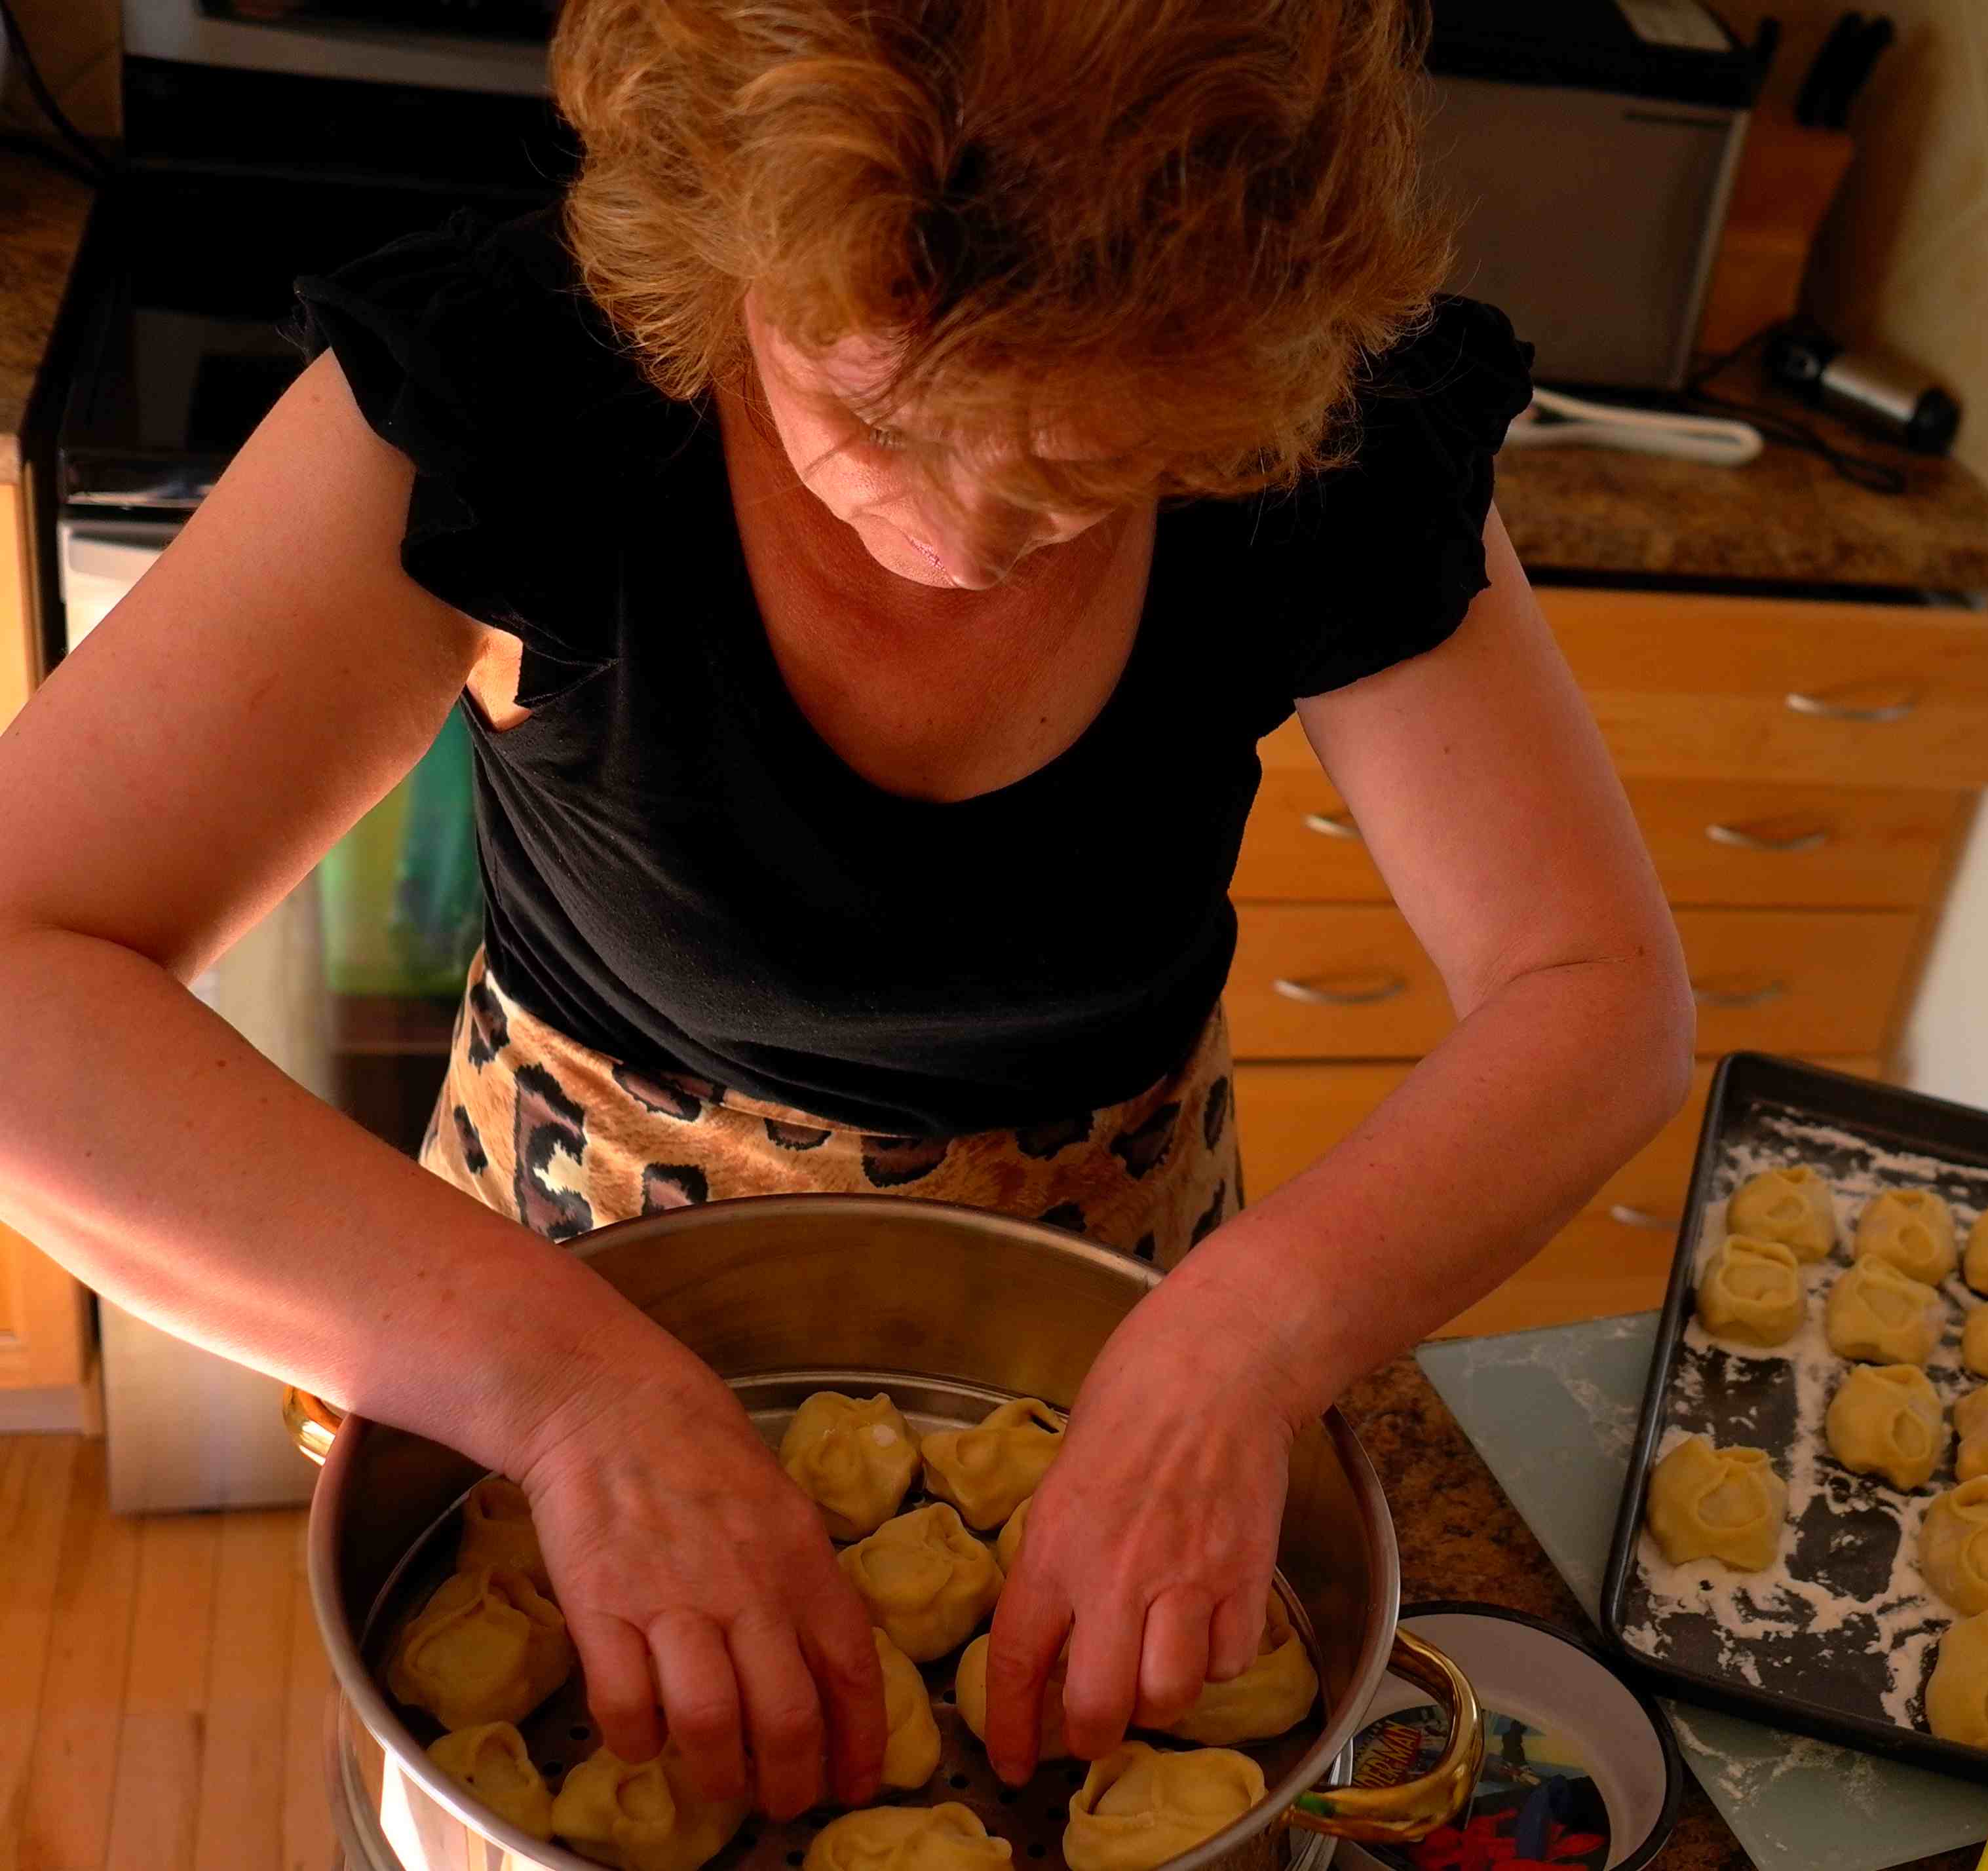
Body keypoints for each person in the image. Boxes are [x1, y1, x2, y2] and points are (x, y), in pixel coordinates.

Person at [0, 0, 1692, 1827]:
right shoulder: (515, 386)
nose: (965, 538)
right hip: (540, 1291)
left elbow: (1595, 988)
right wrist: (561, 1389)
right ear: (726, 232)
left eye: (1092, 468)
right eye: (875, 415)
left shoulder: (1314, 399)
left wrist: (1246, 1341)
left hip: (1127, 1290)